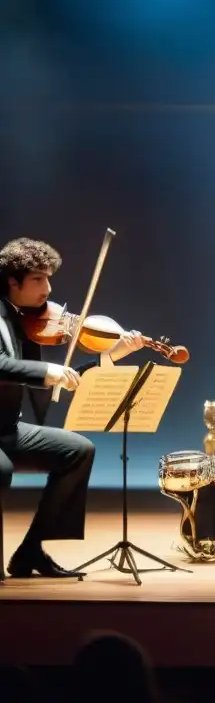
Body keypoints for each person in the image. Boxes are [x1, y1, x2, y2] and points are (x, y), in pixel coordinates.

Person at [1, 237, 144, 578]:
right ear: (12, 281)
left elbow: (65, 379)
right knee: (1, 469)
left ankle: (31, 551)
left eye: (49, 279)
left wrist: (110, 357)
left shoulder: (23, 322)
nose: (47, 289)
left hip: (7, 430)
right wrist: (47, 371)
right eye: (38, 279)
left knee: (78, 450)